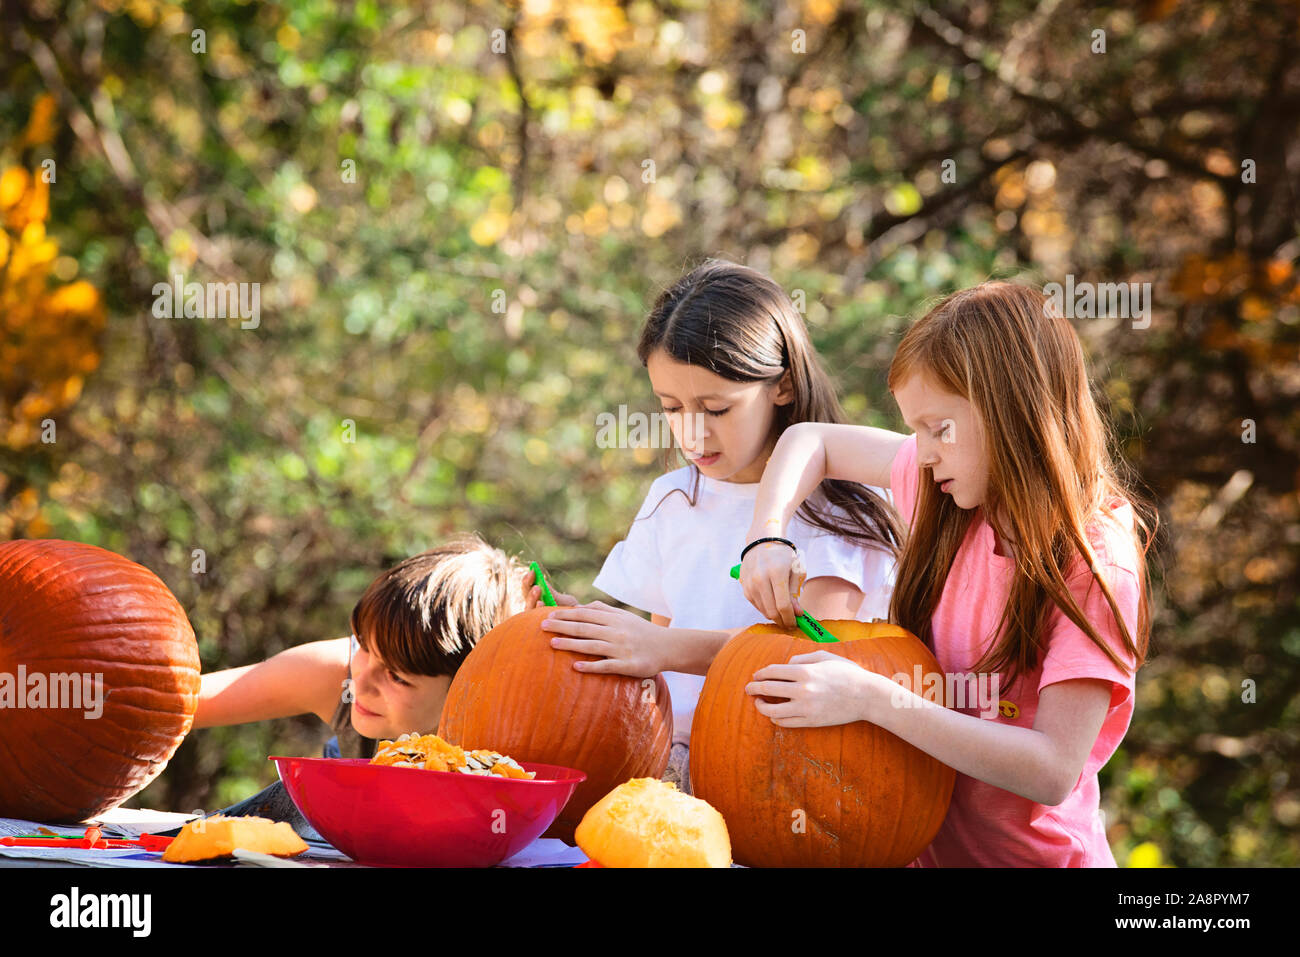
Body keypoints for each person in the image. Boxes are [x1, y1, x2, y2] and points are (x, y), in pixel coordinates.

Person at [738, 281, 1156, 866]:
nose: (923, 452)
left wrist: (874, 700)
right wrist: (767, 535)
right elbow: (811, 440)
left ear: (1016, 411)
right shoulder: (945, 491)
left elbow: (1053, 768)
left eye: (940, 428)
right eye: (915, 430)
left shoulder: (1093, 561)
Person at [531, 259, 901, 793]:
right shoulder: (672, 497)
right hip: (669, 767)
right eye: (671, 407)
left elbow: (811, 649)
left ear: (784, 386)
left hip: (787, 770)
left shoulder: (841, 504)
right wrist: (589, 631)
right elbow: (657, 651)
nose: (692, 432)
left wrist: (664, 648)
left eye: (716, 409)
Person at [195, 534, 530, 759]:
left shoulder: (513, 738)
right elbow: (174, 705)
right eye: (365, 645)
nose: (360, 683)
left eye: (398, 677)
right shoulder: (335, 674)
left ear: (470, 693)